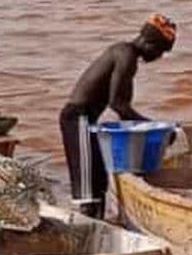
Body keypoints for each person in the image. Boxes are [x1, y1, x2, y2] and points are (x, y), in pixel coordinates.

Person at [59, 13, 177, 218]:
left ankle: (100, 223)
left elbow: (124, 110)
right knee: (87, 188)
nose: (159, 56)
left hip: (88, 120)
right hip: (77, 118)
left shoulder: (126, 54)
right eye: (160, 50)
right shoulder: (126, 55)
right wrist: (159, 129)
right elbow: (118, 105)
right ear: (150, 43)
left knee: (99, 180)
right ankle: (88, 226)